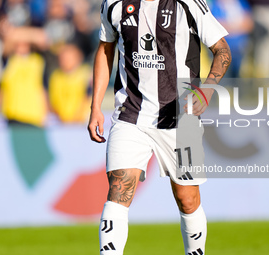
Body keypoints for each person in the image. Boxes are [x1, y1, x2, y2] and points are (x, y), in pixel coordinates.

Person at [87, 0, 231, 254]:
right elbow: (105, 49)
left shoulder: (188, 3)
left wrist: (206, 91)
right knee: (119, 189)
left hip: (181, 118)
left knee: (187, 199)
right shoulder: (114, 3)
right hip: (131, 114)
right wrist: (95, 106)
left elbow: (222, 51)